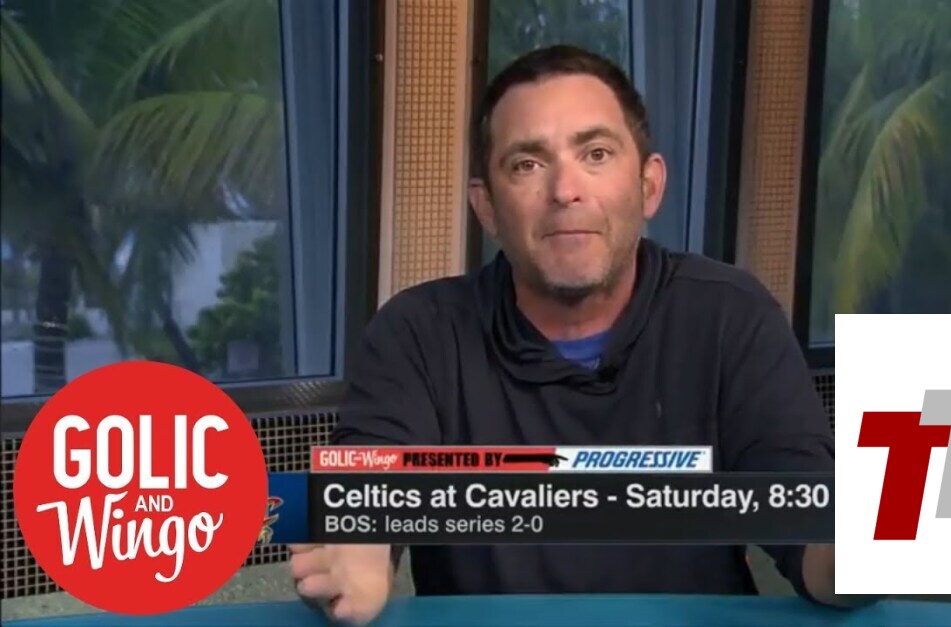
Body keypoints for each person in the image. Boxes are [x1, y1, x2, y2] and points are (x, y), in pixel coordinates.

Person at [290, 44, 872, 625]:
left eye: (596, 154)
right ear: (486, 208)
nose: (565, 190)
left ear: (649, 186)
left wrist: (865, 552)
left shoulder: (730, 317)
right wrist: (354, 548)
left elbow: (812, 523)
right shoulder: (418, 332)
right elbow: (364, 486)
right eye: (527, 164)